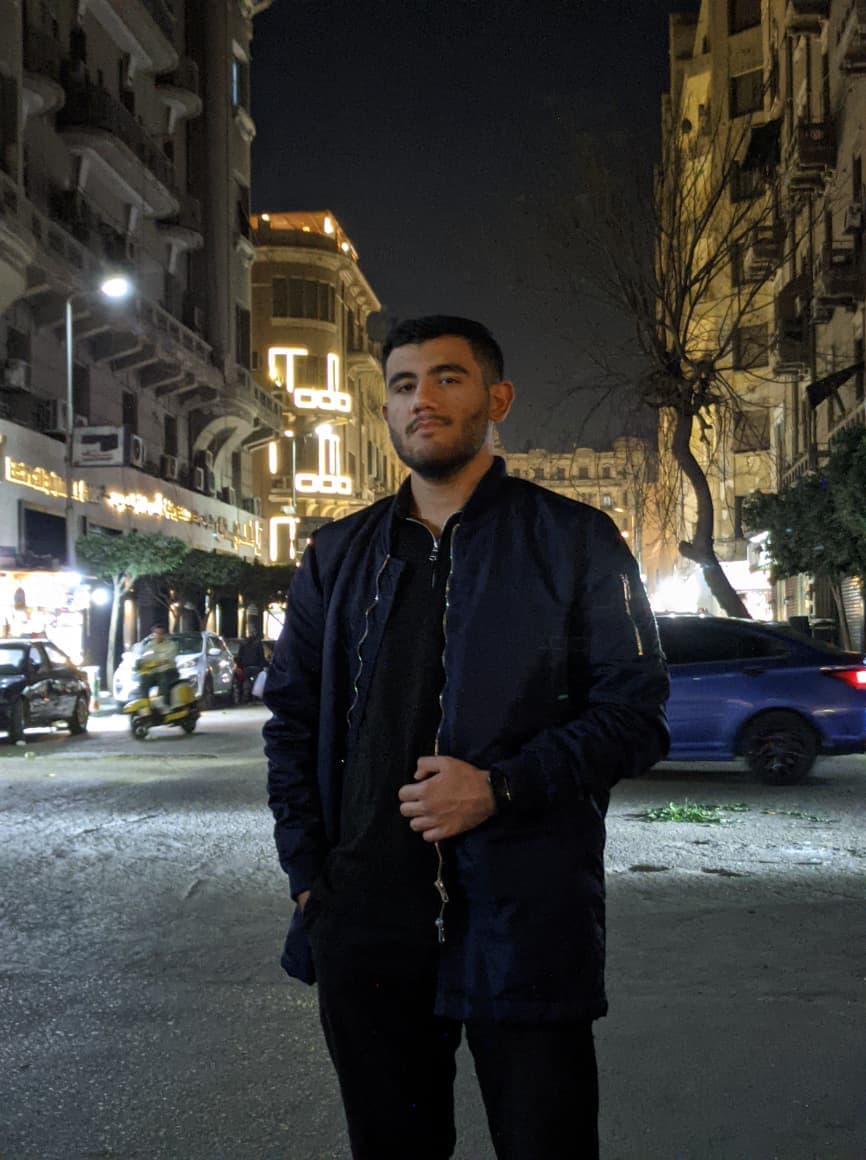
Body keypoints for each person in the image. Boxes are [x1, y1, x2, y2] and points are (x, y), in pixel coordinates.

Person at [263, 316, 670, 1160]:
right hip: (368, 926)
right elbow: (291, 721)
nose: (423, 400)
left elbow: (636, 715)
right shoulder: (337, 554)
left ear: (497, 398)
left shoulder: (574, 539)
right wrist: (311, 876)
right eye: (404, 385)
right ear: (387, 412)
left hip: (521, 920)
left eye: (448, 378)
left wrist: (500, 787)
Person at [136, 625, 178, 709]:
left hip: (168, 671)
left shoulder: (171, 645)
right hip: (154, 672)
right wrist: (140, 663)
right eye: (156, 633)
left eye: (160, 633)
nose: (158, 635)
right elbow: (144, 657)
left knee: (163, 678)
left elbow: (168, 658)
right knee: (144, 679)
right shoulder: (149, 645)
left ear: (164, 635)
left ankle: (163, 704)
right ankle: (145, 705)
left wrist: (157, 662)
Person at [235, 632, 266, 701]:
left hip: (246, 667)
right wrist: (262, 666)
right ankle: (255, 697)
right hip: (256, 667)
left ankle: (246, 696)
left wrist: (239, 666)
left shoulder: (243, 644)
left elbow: (240, 656)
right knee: (256, 681)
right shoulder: (258, 643)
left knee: (246, 681)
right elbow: (261, 656)